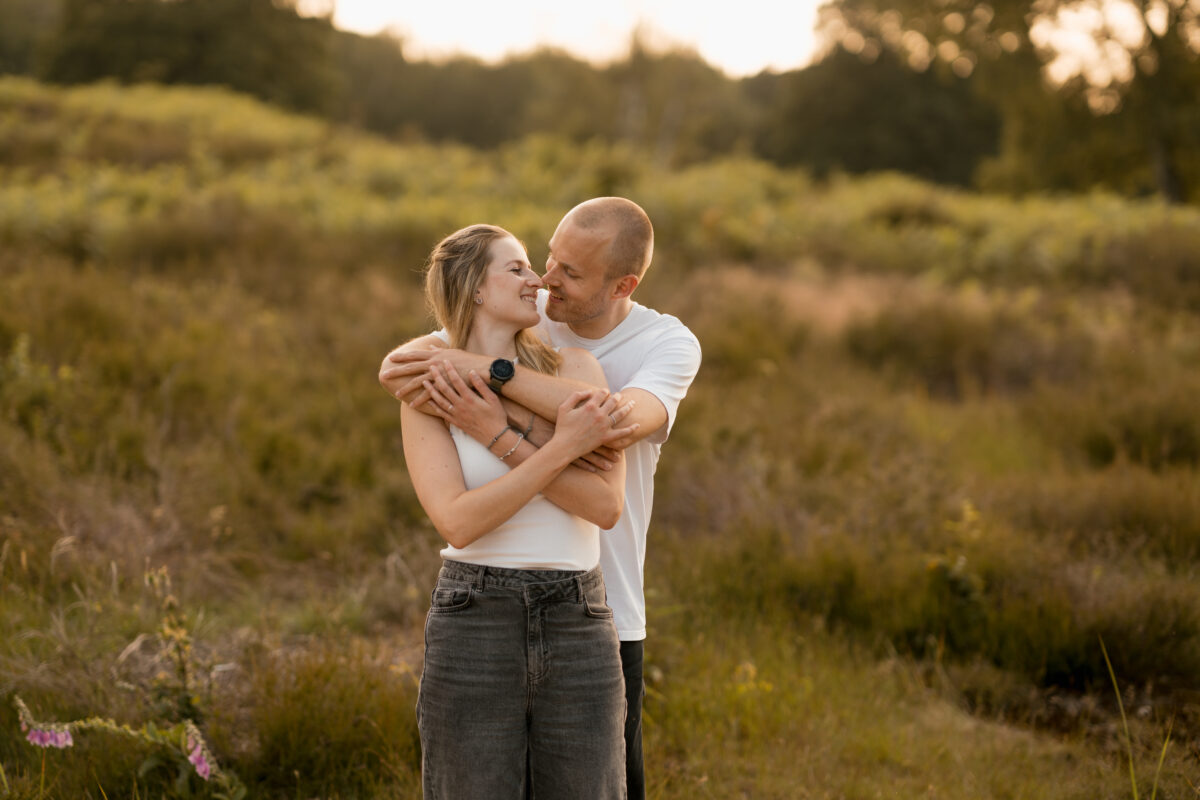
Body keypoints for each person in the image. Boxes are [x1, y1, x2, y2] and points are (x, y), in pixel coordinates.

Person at [381, 198, 702, 799]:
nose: (543, 280)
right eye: (532, 264)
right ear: (476, 289)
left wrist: (492, 418)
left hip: (590, 609)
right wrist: (553, 443)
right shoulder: (444, 364)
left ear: (621, 286)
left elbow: (606, 476)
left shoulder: (611, 356)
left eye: (564, 272)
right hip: (474, 608)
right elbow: (397, 373)